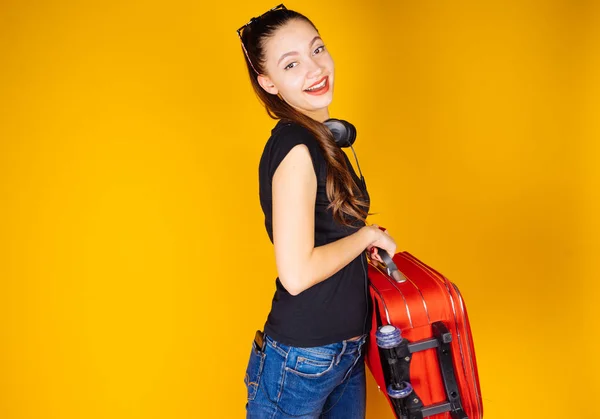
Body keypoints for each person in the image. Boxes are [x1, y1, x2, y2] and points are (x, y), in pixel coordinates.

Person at [237, 4, 397, 418]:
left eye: (317, 49)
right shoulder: (296, 149)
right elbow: (296, 274)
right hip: (302, 360)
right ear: (268, 83)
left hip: (343, 351)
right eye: (292, 64)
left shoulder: (324, 141)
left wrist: (361, 248)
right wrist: (367, 235)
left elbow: (327, 238)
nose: (315, 68)